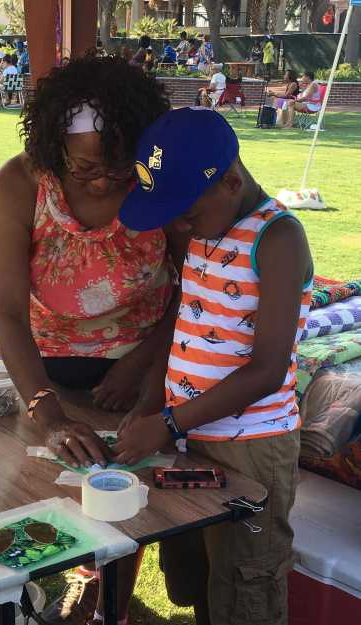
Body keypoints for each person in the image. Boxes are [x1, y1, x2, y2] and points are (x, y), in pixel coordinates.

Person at [0, 55, 185, 625]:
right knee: (46, 480)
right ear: (53, 150)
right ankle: (38, 590)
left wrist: (144, 367)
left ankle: (106, 603)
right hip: (49, 365)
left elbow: (194, 289)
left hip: (146, 369)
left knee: (127, 494)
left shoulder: (156, 179)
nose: (102, 181)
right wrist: (46, 412)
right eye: (83, 169)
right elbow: (6, 310)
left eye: (118, 168)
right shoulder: (20, 186)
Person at [117, 107, 313, 625]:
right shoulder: (206, 224)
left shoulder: (278, 239)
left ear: (229, 182)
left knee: (246, 580)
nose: (178, 226)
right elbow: (189, 328)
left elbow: (268, 369)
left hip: (254, 447)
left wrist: (168, 423)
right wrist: (151, 407)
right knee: (197, 570)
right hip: (192, 434)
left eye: (185, 212)